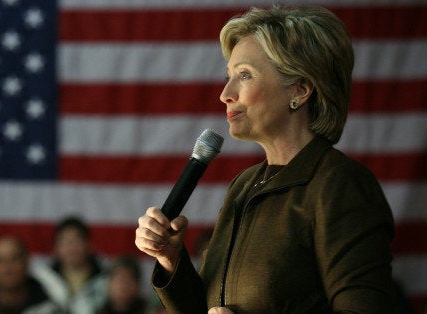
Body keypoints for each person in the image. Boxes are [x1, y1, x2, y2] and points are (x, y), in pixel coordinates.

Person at [134, 5, 395, 314]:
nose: (226, 94)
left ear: (300, 90)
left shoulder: (340, 185)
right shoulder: (244, 185)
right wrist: (172, 258)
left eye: (245, 75)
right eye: (229, 76)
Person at [35, 216, 107, 314]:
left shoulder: (107, 278)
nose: (71, 247)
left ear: (88, 244)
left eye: (76, 241)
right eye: (66, 242)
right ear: (56, 247)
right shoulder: (42, 281)